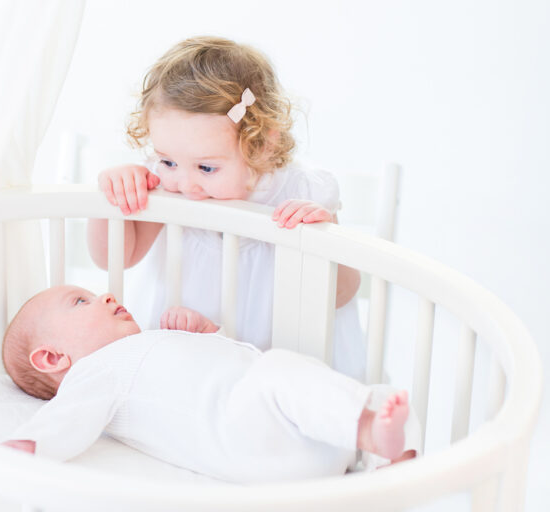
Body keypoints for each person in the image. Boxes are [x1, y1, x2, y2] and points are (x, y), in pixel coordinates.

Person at [87, 36, 366, 381]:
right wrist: (111, 197)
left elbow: (343, 293)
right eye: (168, 160)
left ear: (261, 145)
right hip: (185, 360)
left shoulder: (304, 190)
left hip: (280, 362)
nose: (186, 184)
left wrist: (320, 237)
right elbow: (114, 257)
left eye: (206, 168)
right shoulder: (162, 184)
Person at [1, 285, 415, 483]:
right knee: (279, 370)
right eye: (80, 302)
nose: (105, 296)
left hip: (305, 434)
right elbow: (67, 418)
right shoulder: (95, 372)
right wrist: (28, 447)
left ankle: (386, 465)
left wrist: (204, 331)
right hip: (255, 441)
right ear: (54, 359)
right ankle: (369, 434)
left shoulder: (143, 346)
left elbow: (221, 361)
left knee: (373, 392)